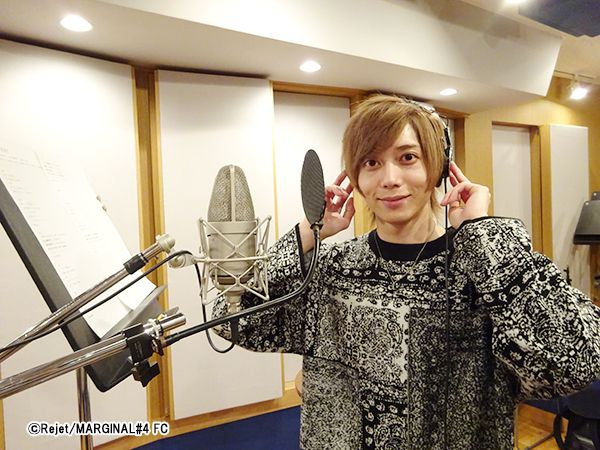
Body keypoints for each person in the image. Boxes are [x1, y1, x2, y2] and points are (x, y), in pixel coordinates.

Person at [212, 94, 600, 449]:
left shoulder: (483, 270)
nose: (389, 179)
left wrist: (480, 232)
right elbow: (232, 319)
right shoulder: (331, 269)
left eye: (408, 157)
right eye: (371, 162)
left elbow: (576, 361)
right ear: (356, 179)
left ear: (439, 168)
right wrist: (307, 233)